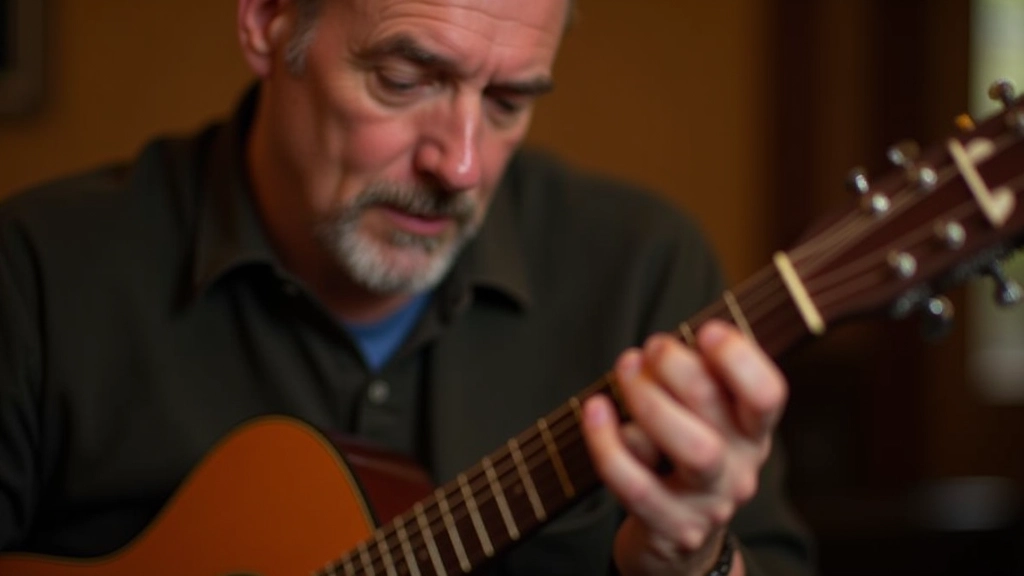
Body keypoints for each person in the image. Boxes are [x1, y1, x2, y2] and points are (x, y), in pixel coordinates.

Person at [0, 0, 813, 574]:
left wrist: (693, 564)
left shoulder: (644, 268)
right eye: (403, 79)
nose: (460, 166)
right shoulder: (35, 271)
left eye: (507, 102)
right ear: (268, 19)